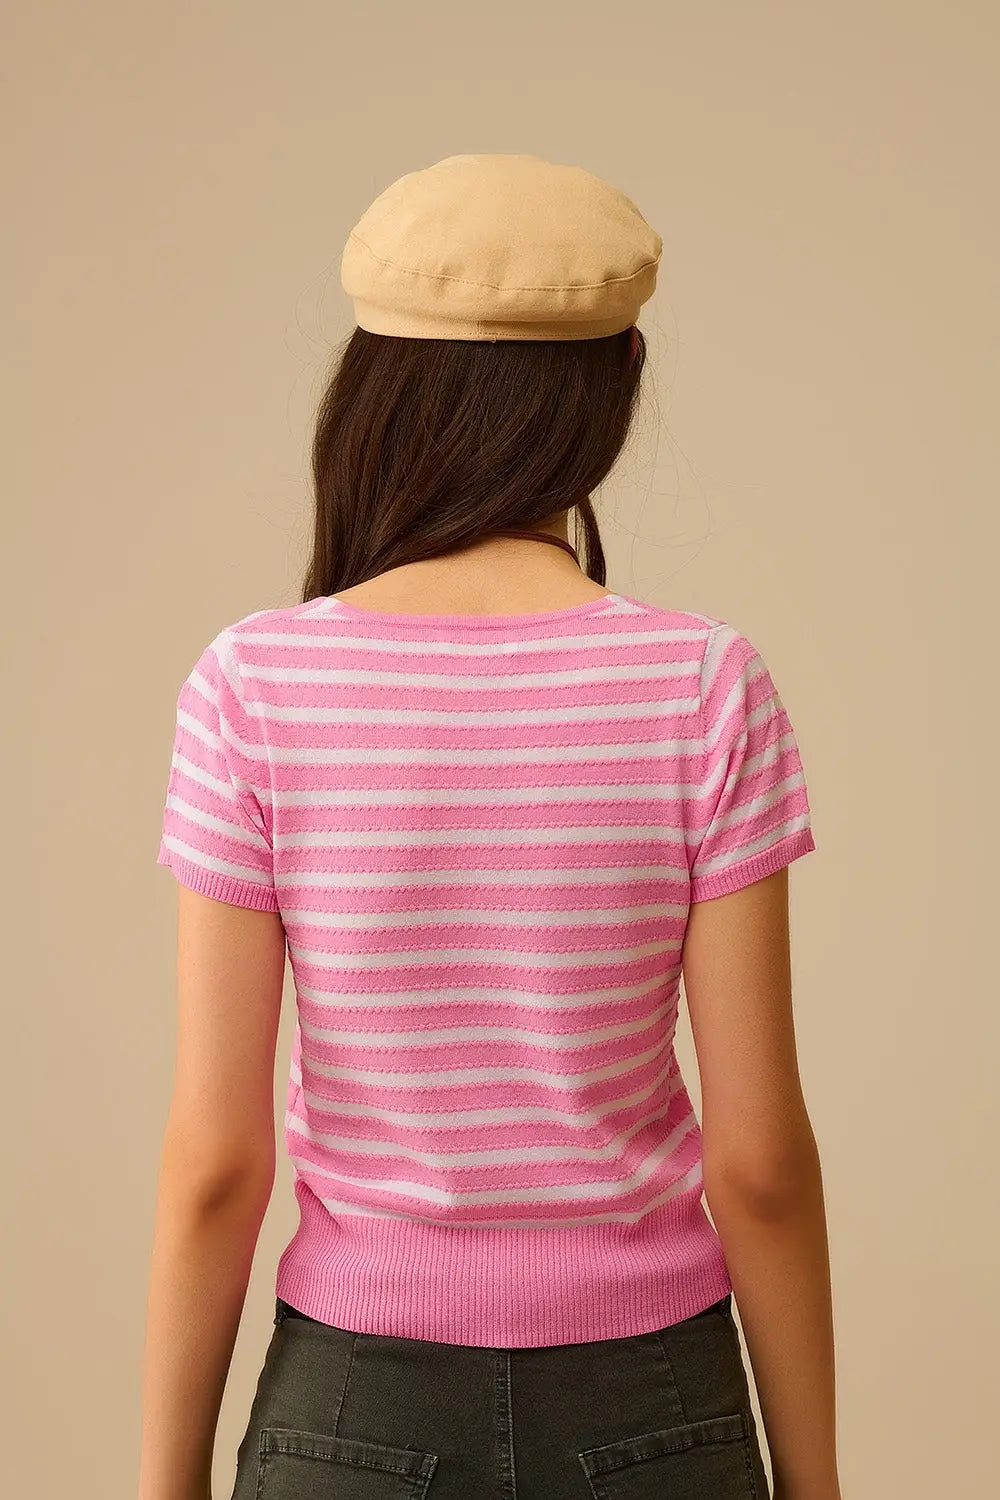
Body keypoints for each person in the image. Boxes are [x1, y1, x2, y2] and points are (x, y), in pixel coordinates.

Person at [139, 154, 841, 1500]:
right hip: (653, 1407)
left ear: (372, 385)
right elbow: (759, 1164)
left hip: (355, 1408)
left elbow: (218, 1162)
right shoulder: (702, 683)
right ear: (620, 379)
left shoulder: (255, 685)